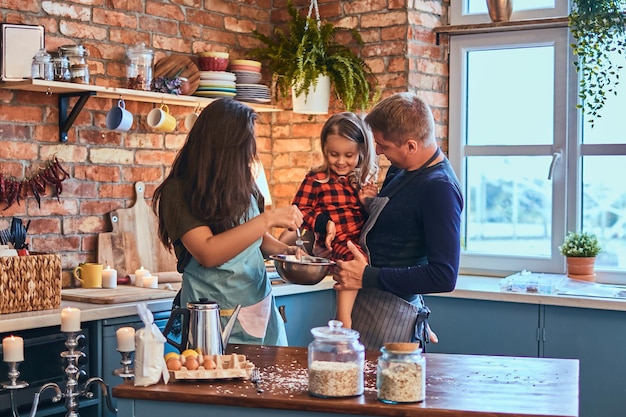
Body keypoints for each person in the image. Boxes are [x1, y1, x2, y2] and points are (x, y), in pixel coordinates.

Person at [153, 98, 304, 346]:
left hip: (259, 307)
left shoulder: (243, 181)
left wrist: (285, 251)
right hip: (211, 315)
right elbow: (208, 252)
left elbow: (255, 239)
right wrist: (268, 218)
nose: (252, 150)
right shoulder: (178, 192)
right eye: (247, 143)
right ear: (226, 146)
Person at [332, 92, 464, 350]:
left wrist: (368, 276)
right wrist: (367, 206)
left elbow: (443, 276)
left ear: (411, 145)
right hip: (366, 301)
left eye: (384, 145)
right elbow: (395, 232)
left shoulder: (440, 190)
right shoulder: (402, 169)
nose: (378, 152)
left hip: (393, 316)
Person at [286, 112, 378, 329]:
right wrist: (323, 223)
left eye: (349, 155)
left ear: (361, 152)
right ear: (324, 150)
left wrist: (367, 203)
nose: (341, 161)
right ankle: (343, 319)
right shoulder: (315, 180)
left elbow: (372, 222)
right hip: (336, 243)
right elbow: (298, 210)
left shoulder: (363, 182)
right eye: (334, 154)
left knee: (359, 255)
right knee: (352, 256)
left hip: (362, 241)